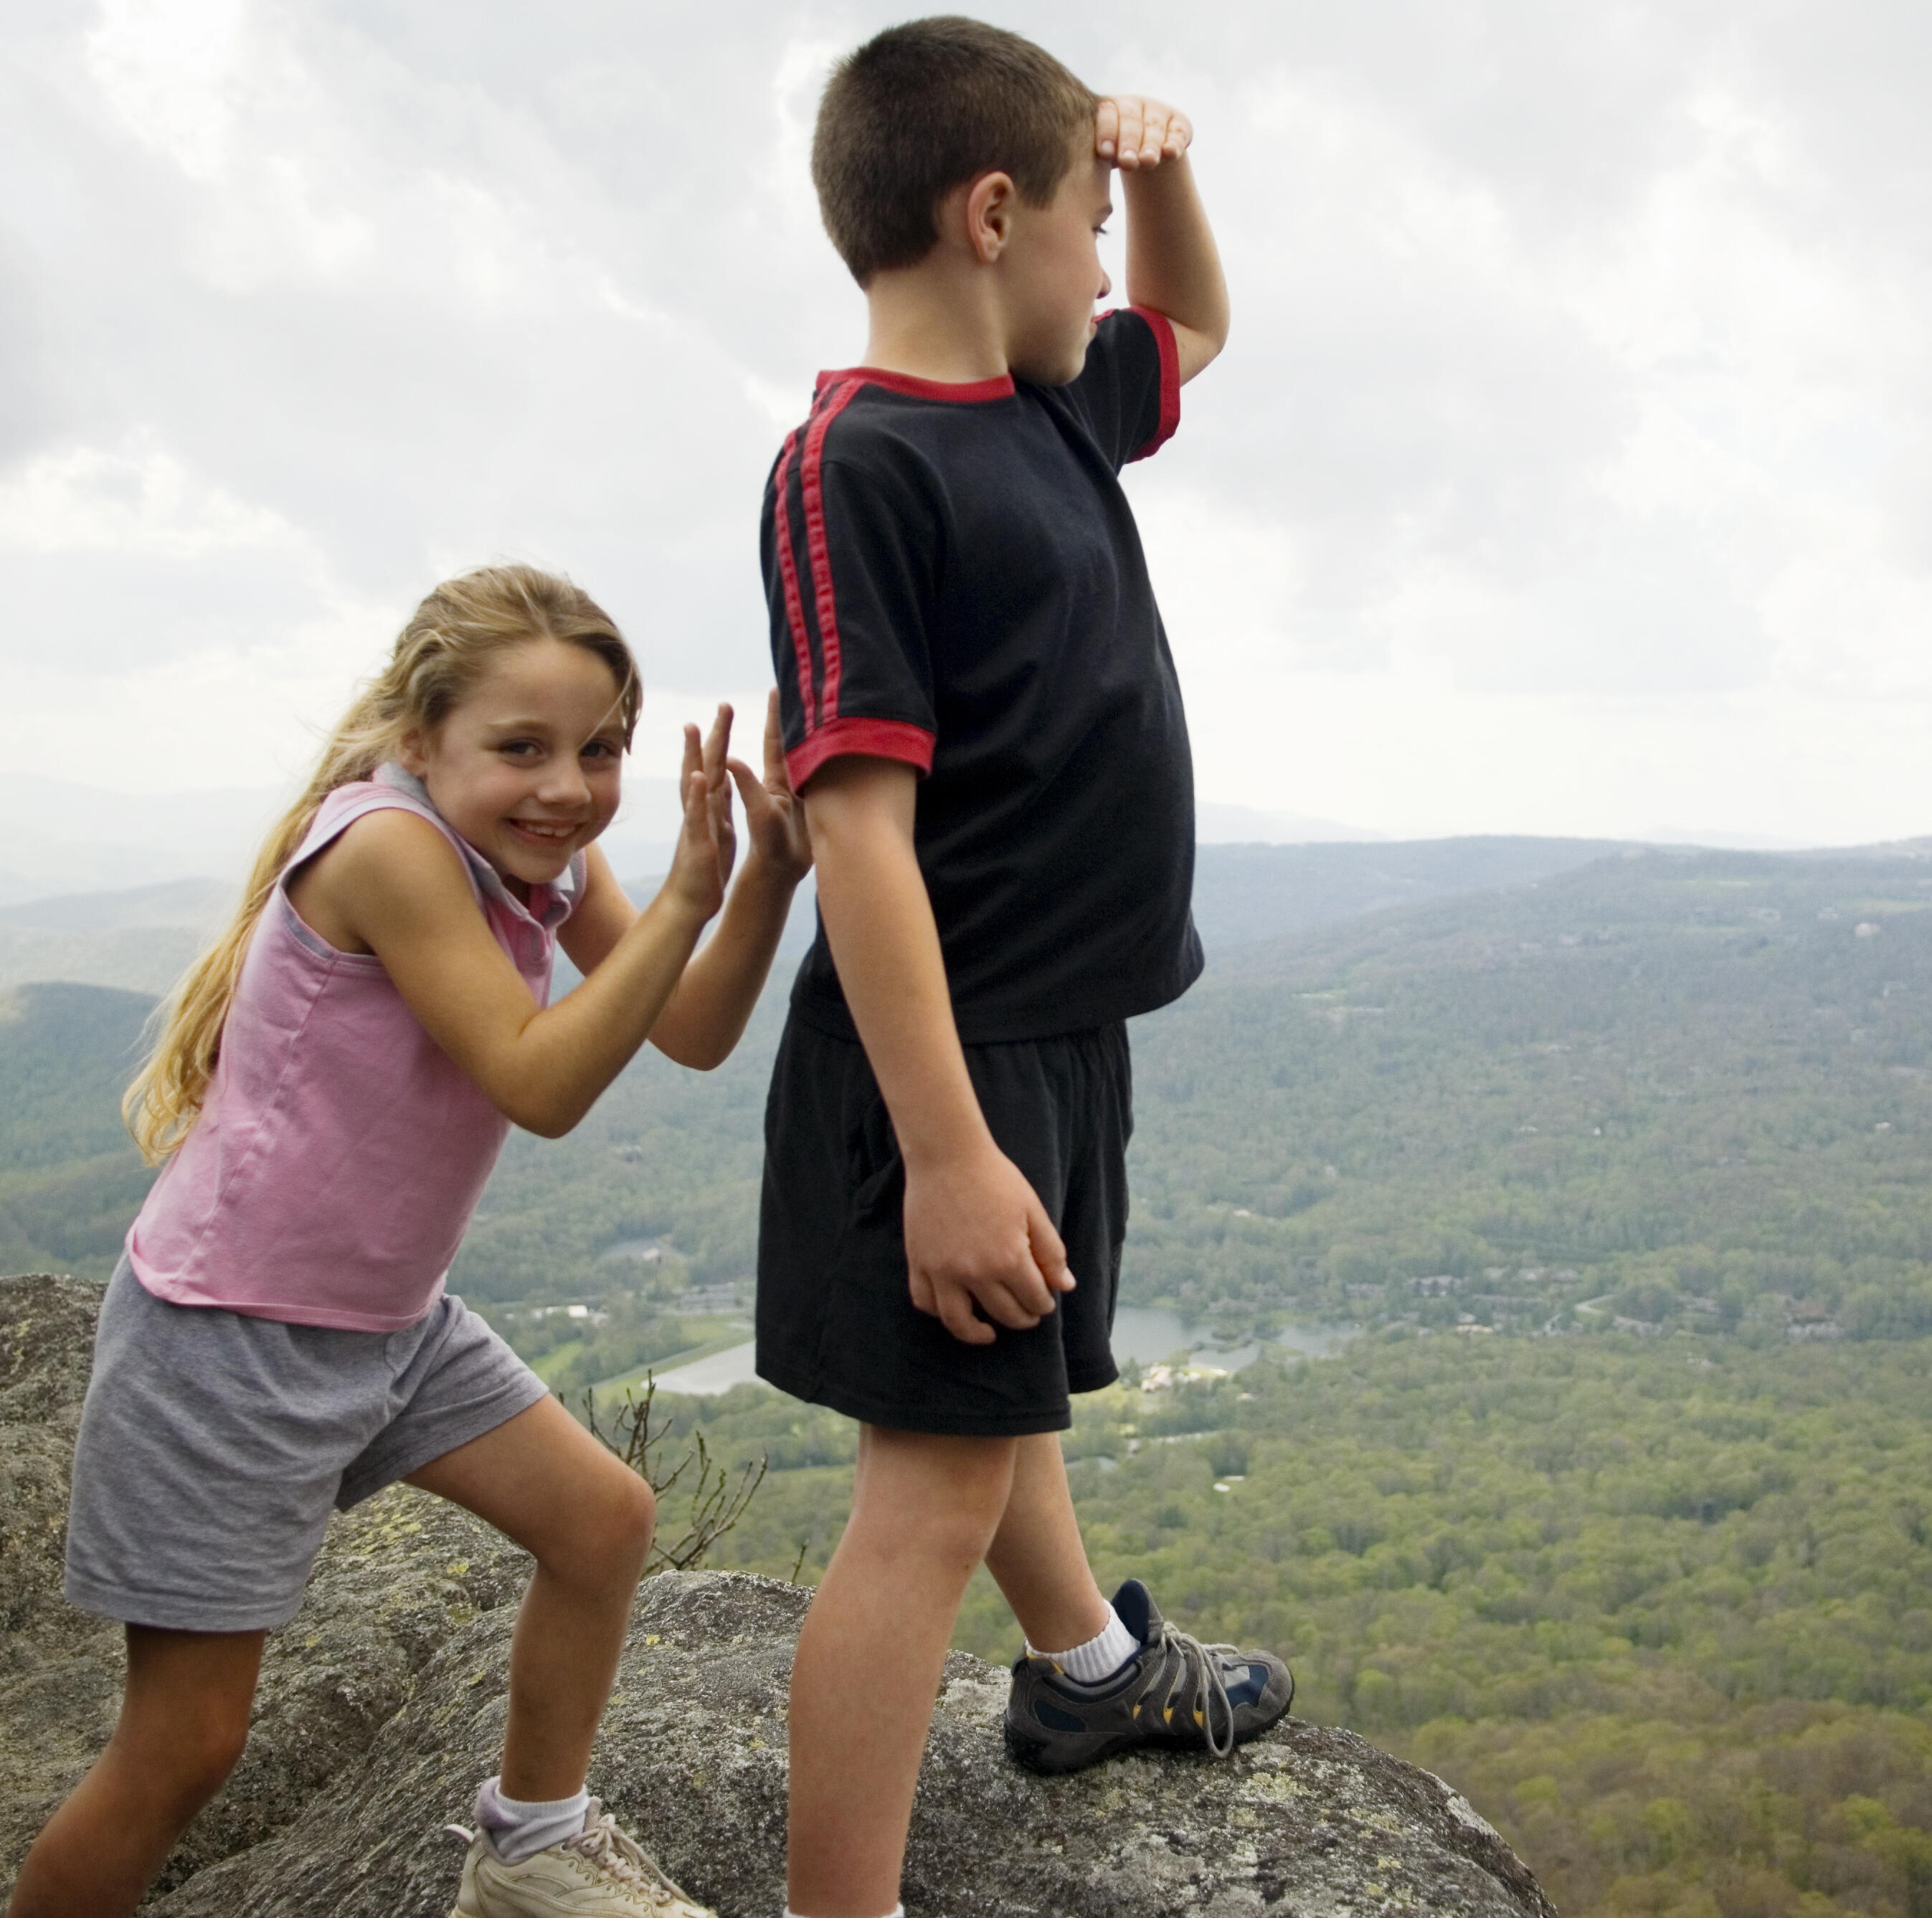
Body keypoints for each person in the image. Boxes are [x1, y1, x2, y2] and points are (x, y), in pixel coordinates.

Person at [6, 564, 808, 1918]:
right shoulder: (387, 850)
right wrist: (686, 901)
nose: (567, 786)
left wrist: (763, 881)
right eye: (522, 749)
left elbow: (693, 1031)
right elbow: (537, 1084)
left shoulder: (540, 857)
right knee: (185, 1749)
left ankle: (533, 1846)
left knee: (604, 1522)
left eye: (599, 750)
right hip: (233, 1336)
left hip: (387, 1323)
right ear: (419, 738)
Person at [755, 19, 1286, 1917]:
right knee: (928, 1497)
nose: (1108, 269)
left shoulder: (1049, 402)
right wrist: (952, 1146)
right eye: (1083, 223)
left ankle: (1081, 1676)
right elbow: (856, 830)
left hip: (1048, 1034)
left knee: (1000, 1414)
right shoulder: (856, 466)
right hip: (944, 1061)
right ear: (992, 215)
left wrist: (1156, 176)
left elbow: (1197, 330)